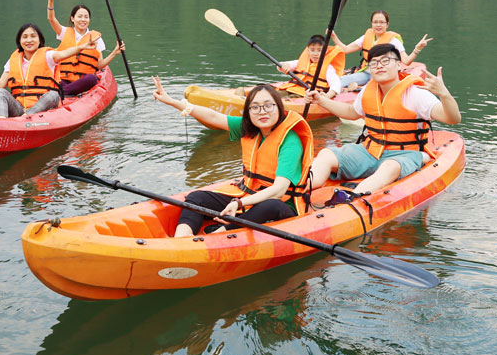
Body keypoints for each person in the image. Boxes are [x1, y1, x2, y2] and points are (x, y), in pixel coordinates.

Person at [152, 77, 314, 237]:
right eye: (255, 107)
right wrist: (173, 102)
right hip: (248, 194)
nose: (262, 111)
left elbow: (278, 191)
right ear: (249, 112)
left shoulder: (290, 141)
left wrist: (239, 203)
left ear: (279, 108)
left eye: (268, 106)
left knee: (271, 206)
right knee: (196, 197)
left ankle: (220, 233)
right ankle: (182, 237)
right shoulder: (249, 128)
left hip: (282, 203)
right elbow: (213, 117)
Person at [305, 42, 460, 198]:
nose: (379, 66)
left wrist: (444, 95)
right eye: (374, 63)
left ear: (399, 65)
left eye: (385, 61)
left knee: (390, 167)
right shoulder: (368, 89)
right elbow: (352, 112)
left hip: (404, 154)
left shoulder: (415, 93)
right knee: (326, 154)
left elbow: (452, 119)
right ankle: (301, 189)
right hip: (370, 151)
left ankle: (350, 198)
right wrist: (321, 100)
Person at [0, 23, 97, 118]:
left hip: (41, 109)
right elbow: (0, 85)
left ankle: (26, 117)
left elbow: (65, 53)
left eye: (33, 36)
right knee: (0, 92)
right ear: (19, 41)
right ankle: (2, 121)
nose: (29, 40)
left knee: (53, 94)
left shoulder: (48, 55)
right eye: (25, 37)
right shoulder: (13, 59)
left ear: (39, 40)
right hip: (19, 108)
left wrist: (82, 46)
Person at [45, 0, 126, 95]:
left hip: (82, 82)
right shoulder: (64, 32)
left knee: (92, 79)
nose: (83, 19)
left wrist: (114, 52)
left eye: (86, 17)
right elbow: (51, 19)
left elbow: (99, 65)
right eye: (80, 16)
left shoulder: (96, 38)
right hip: (63, 79)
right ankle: (64, 91)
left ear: (89, 20)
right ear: (73, 19)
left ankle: (60, 93)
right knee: (51, 78)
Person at [331, 10, 431, 89]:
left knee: (369, 88)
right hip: (367, 73)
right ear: (371, 24)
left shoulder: (393, 41)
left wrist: (417, 49)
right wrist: (333, 36)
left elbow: (406, 61)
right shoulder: (366, 37)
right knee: (340, 80)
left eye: (382, 22)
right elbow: (345, 49)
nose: (378, 25)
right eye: (375, 22)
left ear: (387, 24)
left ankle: (359, 89)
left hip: (384, 75)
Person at [275, 34, 344, 97]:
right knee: (273, 95)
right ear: (308, 51)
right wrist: (284, 65)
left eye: (319, 50)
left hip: (307, 94)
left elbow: (335, 84)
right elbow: (281, 66)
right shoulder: (300, 62)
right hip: (293, 89)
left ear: (325, 52)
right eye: (312, 50)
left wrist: (327, 96)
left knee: (286, 99)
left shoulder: (328, 69)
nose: (315, 53)